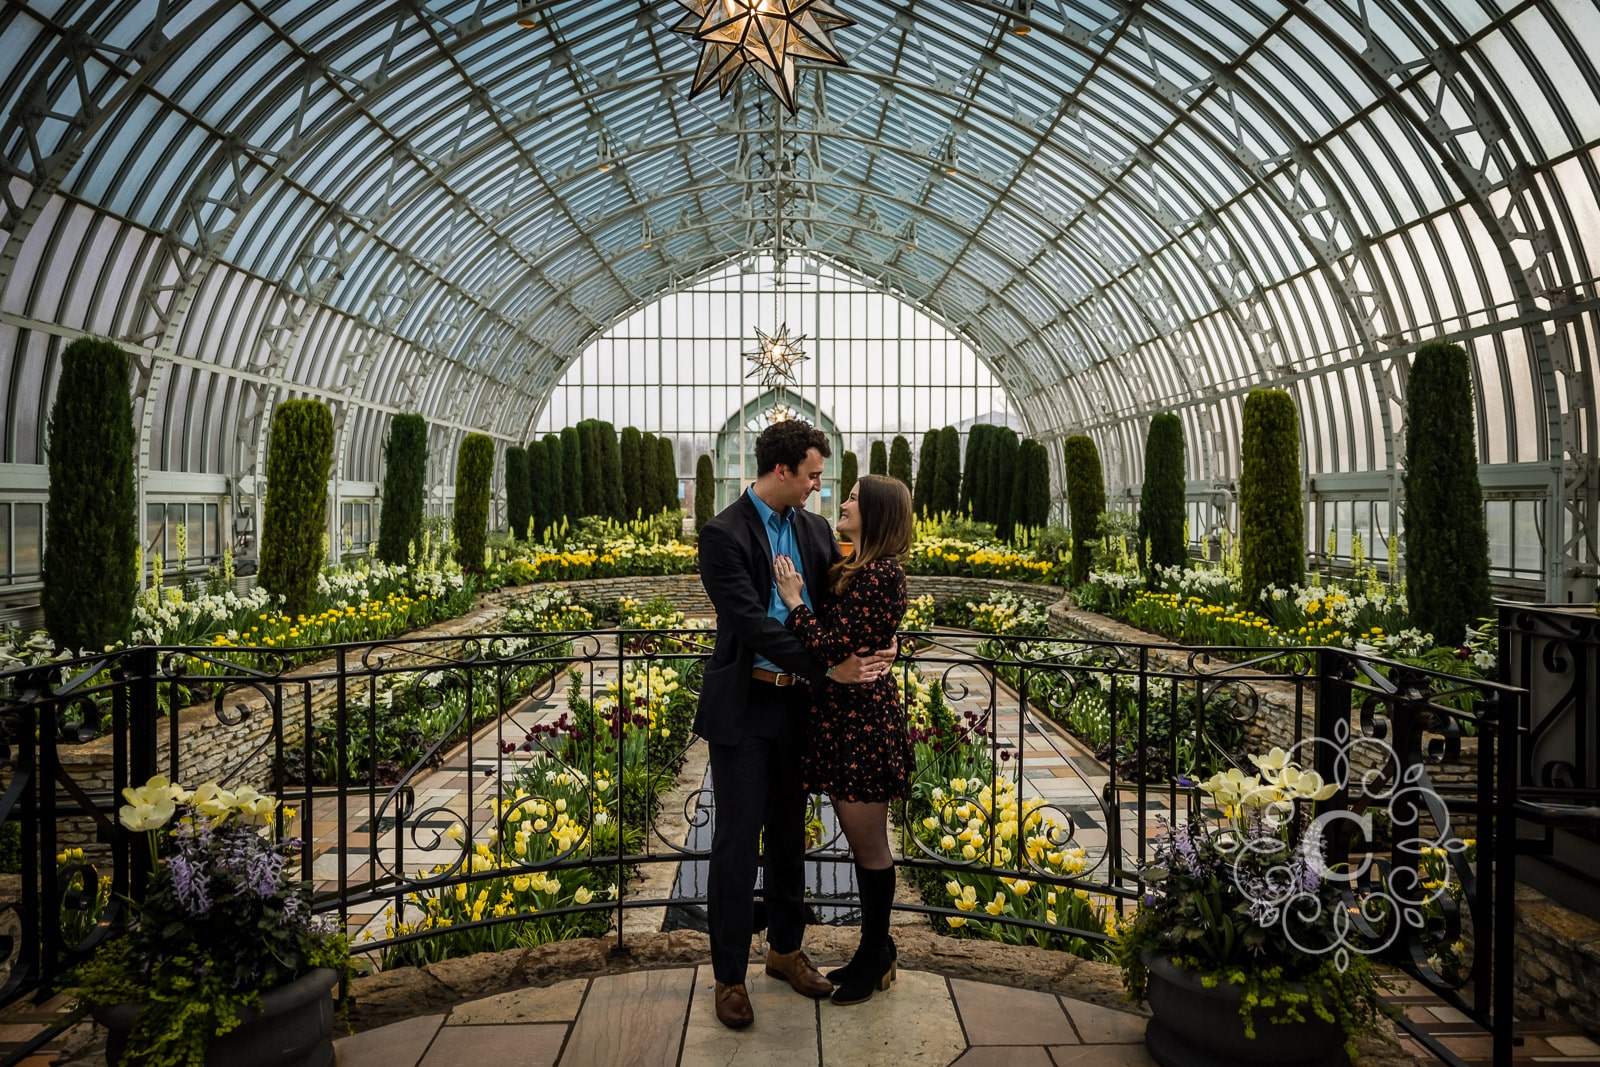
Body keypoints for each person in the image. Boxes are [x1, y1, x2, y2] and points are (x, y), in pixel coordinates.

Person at [694, 419, 895, 1030]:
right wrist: (829, 667)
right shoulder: (723, 533)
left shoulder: (812, 531)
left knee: (788, 833)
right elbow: (751, 623)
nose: (818, 487)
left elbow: (851, 606)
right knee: (735, 841)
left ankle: (784, 950)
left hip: (801, 707)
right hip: (749, 707)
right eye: (811, 475)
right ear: (782, 471)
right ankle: (730, 976)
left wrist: (886, 643)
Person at [773, 473, 913, 1005]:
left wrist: (794, 602)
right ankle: (874, 949)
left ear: (876, 513)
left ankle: (875, 954)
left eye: (855, 498)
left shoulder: (881, 576)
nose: (844, 502)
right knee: (861, 844)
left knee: (869, 846)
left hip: (862, 725)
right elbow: (856, 636)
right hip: (841, 718)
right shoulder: (859, 567)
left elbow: (832, 645)